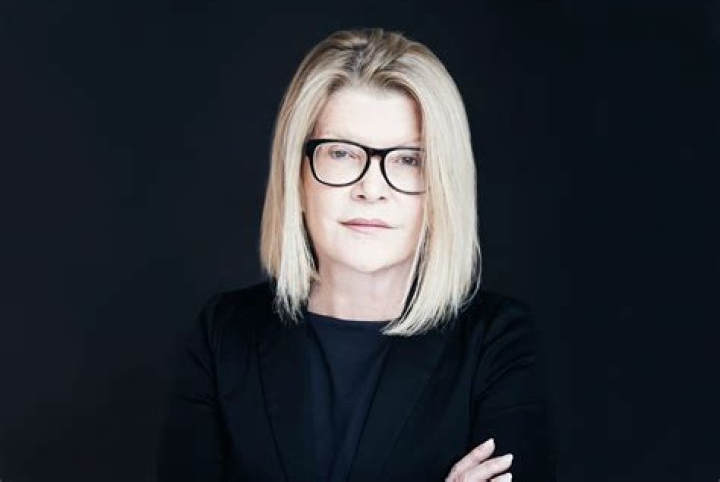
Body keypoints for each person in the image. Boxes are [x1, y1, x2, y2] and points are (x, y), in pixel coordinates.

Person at [155, 28, 557, 481]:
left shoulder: (495, 342)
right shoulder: (224, 334)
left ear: (443, 185)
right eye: (342, 153)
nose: (371, 188)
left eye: (408, 159)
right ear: (297, 176)